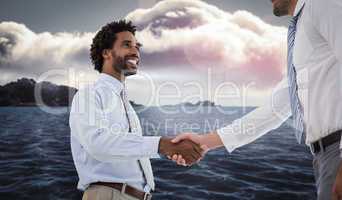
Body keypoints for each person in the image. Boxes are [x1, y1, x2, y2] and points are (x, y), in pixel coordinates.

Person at [171, 0, 342, 199]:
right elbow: (275, 108)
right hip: (323, 158)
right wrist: (205, 142)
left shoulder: (324, 4)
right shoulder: (303, 28)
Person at [69, 20, 204, 200]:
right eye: (127, 45)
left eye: (137, 46)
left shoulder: (126, 104)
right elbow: (98, 143)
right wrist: (162, 145)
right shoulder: (89, 94)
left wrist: (172, 150)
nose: (136, 52)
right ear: (106, 53)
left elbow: (128, 150)